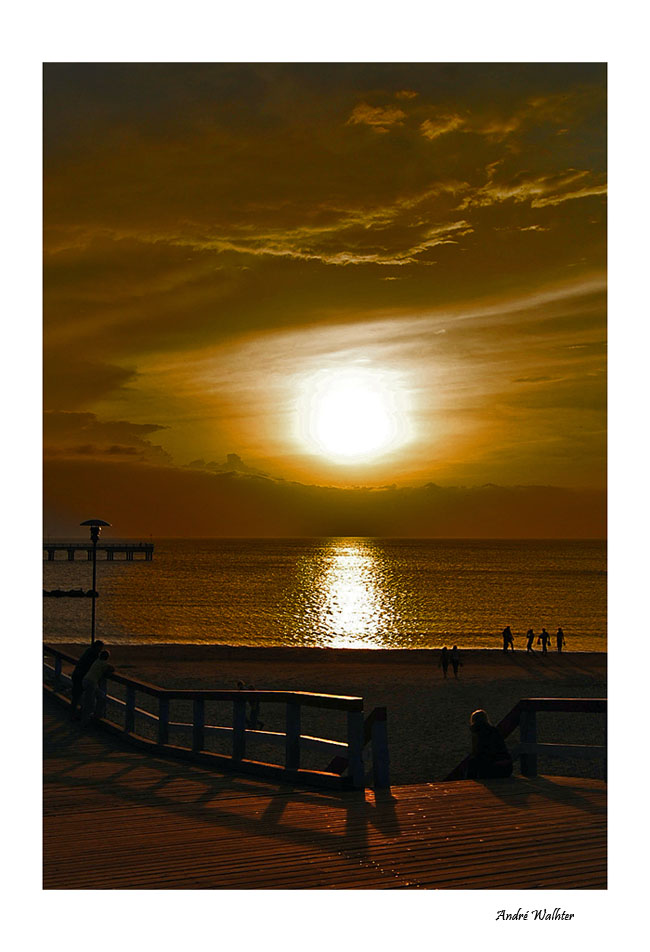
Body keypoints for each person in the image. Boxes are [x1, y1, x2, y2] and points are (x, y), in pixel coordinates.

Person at [466, 709, 513, 779]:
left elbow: (479, 752)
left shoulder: (478, 733)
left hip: (493, 769)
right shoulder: (494, 730)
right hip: (506, 768)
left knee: (472, 762)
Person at [70, 640, 105, 718]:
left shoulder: (88, 651)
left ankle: (75, 714)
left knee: (77, 696)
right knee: (81, 696)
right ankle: (79, 715)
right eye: (100, 648)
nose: (101, 650)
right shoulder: (94, 654)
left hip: (78, 675)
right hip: (81, 676)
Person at [80, 649, 114, 725]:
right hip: (91, 683)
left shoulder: (96, 661)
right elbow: (110, 669)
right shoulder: (103, 664)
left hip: (86, 680)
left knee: (100, 696)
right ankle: (86, 721)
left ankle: (94, 716)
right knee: (90, 702)